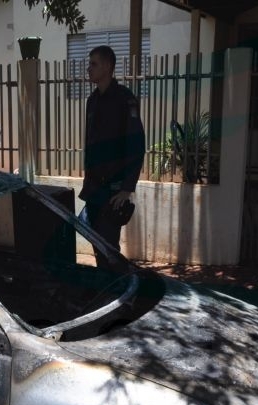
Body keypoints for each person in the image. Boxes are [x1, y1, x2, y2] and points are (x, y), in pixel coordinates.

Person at [79, 45, 145, 269]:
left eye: (94, 64)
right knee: (97, 244)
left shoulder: (125, 100)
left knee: (109, 247)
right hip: (94, 188)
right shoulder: (93, 101)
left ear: (108, 66)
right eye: (89, 64)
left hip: (113, 190)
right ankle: (105, 290)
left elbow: (136, 145)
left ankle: (117, 295)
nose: (89, 69)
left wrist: (127, 188)